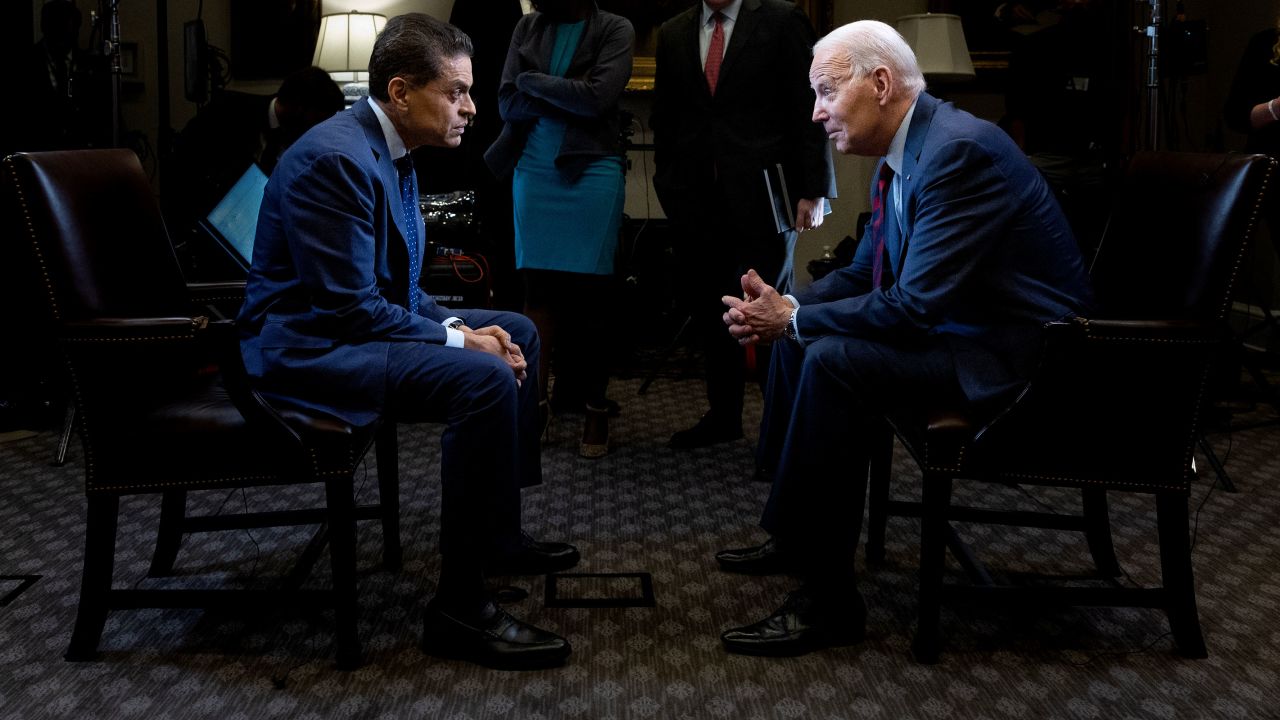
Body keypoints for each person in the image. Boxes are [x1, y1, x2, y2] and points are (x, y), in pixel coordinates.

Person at [714, 20, 1093, 657]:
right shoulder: (908, 151)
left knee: (831, 356)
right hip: (962, 333)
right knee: (796, 333)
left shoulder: (957, 153)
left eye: (826, 92)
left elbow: (913, 308)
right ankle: (798, 538)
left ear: (881, 83)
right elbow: (867, 272)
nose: (816, 113)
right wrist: (782, 309)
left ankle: (829, 603)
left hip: (1019, 362)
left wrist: (797, 320)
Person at [237, 13, 579, 670]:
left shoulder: (390, 148)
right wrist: (458, 346)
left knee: (521, 332)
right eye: (455, 92)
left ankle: (499, 535)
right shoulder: (335, 161)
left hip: (351, 329)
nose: (473, 107)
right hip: (308, 351)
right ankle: (458, 608)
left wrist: (461, 328)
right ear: (400, 91)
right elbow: (348, 310)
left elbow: (402, 282)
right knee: (480, 376)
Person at [652, 0, 836, 450]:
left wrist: (813, 190)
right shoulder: (673, 30)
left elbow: (806, 103)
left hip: (766, 196)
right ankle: (724, 416)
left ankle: (782, 429)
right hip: (695, 198)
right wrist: (668, 184)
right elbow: (666, 114)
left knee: (770, 310)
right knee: (713, 309)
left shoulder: (780, 20)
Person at [485, 0, 634, 458]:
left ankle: (593, 408)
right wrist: (560, 90)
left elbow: (597, 99)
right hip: (533, 169)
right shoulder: (527, 27)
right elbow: (508, 104)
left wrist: (533, 81)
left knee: (593, 295)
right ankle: (535, 403)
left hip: (593, 169)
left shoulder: (615, 26)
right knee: (539, 291)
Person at [172, 66, 346, 230]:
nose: (320, 133)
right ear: (299, 107)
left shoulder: (302, 139)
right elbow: (181, 166)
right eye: (318, 122)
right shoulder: (225, 112)